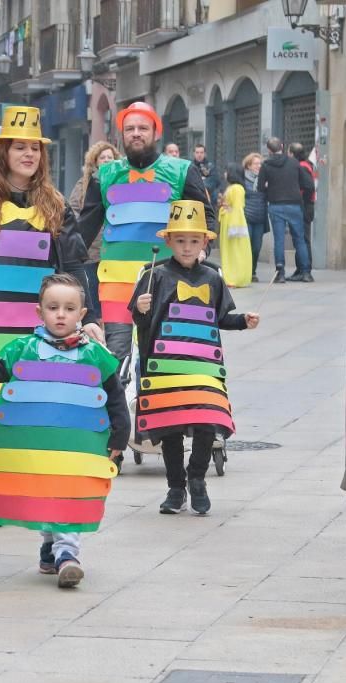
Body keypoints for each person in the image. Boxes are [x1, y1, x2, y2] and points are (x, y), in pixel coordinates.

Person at [0, 106, 101, 528]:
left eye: (34, 147)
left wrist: (90, 316)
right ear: (2, 152)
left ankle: (24, 491)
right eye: (20, 147)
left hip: (36, 327)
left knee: (30, 410)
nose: (29, 154)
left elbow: (73, 267)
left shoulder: (55, 206)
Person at [0, 273, 128, 587]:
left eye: (68, 308)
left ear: (81, 314)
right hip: (38, 441)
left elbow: (115, 394)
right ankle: (50, 546)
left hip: (79, 442)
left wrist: (120, 435)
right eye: (53, 307)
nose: (60, 314)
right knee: (47, 490)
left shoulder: (93, 353)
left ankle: (67, 554)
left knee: (71, 492)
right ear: (39, 312)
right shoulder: (25, 348)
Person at [130, 200, 259, 515]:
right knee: (170, 428)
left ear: (205, 242)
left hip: (202, 367)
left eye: (194, 241)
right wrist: (139, 309)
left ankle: (197, 477)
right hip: (167, 369)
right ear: (168, 242)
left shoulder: (212, 278)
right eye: (180, 241)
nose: (187, 247)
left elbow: (220, 318)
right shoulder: (154, 276)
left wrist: (243, 320)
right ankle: (176, 488)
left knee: (207, 422)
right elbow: (141, 322)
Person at [77, 101, 217, 362]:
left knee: (163, 354)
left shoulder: (182, 171)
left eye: (143, 127)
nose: (136, 133)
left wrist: (202, 250)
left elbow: (206, 217)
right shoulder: (104, 176)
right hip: (116, 284)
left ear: (156, 132)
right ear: (122, 134)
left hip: (165, 280)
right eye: (129, 128)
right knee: (118, 357)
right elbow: (83, 230)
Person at [69, 141, 121, 323]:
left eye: (110, 157)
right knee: (92, 293)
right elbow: (73, 209)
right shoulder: (84, 183)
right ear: (95, 161)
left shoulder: (121, 182)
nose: (107, 160)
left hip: (114, 251)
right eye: (103, 157)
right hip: (91, 251)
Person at [257, 137, 315, 283]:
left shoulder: (266, 165)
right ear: (282, 147)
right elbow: (308, 184)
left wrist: (270, 190)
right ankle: (306, 273)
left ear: (269, 150)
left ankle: (280, 273)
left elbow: (260, 188)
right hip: (295, 205)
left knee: (279, 240)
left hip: (276, 205)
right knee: (300, 239)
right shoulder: (294, 163)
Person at [217, 164, 252, 287]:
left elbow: (237, 208)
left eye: (227, 171)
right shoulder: (232, 187)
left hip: (233, 222)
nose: (225, 174)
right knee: (229, 251)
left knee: (235, 251)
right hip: (228, 220)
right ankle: (230, 277)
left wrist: (235, 227)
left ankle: (235, 278)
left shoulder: (237, 188)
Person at [289, 141, 318, 281]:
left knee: (302, 239)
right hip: (306, 205)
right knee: (300, 238)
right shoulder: (305, 165)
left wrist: (299, 200)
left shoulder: (302, 166)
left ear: (292, 154)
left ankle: (305, 271)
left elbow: (308, 187)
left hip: (304, 206)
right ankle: (300, 269)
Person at [241, 152, 268, 282]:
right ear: (249, 165)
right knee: (247, 245)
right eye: (256, 163)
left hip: (260, 217)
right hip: (247, 217)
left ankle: (253, 270)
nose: (259, 166)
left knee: (257, 247)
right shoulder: (242, 179)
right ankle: (246, 271)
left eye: (260, 163)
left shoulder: (264, 179)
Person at [191, 144, 220, 208]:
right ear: (194, 153)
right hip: (193, 200)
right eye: (197, 152)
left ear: (205, 154)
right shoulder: (190, 166)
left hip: (209, 201)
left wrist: (200, 183)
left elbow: (215, 182)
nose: (199, 155)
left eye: (201, 152)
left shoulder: (211, 166)